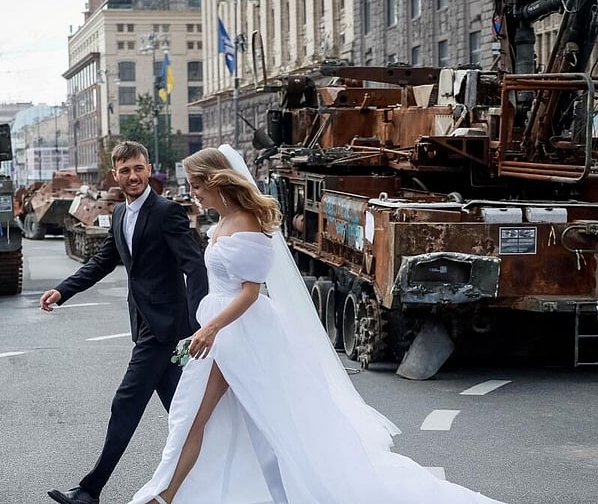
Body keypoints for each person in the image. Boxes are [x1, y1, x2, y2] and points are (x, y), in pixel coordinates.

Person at [129, 145, 503, 504]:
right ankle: (183, 493)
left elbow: (250, 293)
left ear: (216, 181)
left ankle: (169, 495)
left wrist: (210, 328)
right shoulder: (224, 220)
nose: (193, 193)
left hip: (240, 334)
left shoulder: (245, 224)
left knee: (208, 418)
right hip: (226, 331)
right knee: (234, 422)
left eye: (196, 185)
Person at [41, 141, 209, 504]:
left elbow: (194, 265)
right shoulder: (119, 214)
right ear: (115, 175)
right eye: (125, 170)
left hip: (166, 329)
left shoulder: (166, 212)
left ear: (149, 170)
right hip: (146, 324)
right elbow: (103, 261)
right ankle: (231, 473)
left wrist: (201, 322)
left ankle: (90, 490)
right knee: (187, 414)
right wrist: (62, 291)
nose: (132, 176)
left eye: (138, 168)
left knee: (125, 404)